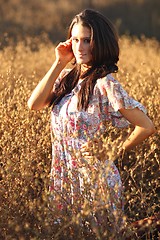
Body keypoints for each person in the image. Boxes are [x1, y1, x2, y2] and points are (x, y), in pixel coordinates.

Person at [27, 9, 156, 236]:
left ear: (100, 42)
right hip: (63, 177)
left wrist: (112, 152)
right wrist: (59, 63)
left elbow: (146, 126)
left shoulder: (105, 83)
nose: (79, 47)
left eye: (87, 40)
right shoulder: (67, 78)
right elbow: (34, 104)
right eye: (75, 40)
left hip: (93, 179)